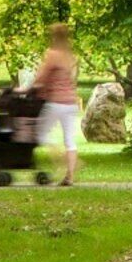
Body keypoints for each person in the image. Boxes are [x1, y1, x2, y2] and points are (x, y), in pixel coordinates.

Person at [35, 23, 84, 185]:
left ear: (54, 35)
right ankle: (70, 175)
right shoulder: (70, 55)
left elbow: (42, 77)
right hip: (71, 103)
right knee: (70, 140)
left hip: (56, 102)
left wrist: (28, 89)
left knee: (41, 135)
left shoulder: (52, 54)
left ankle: (63, 164)